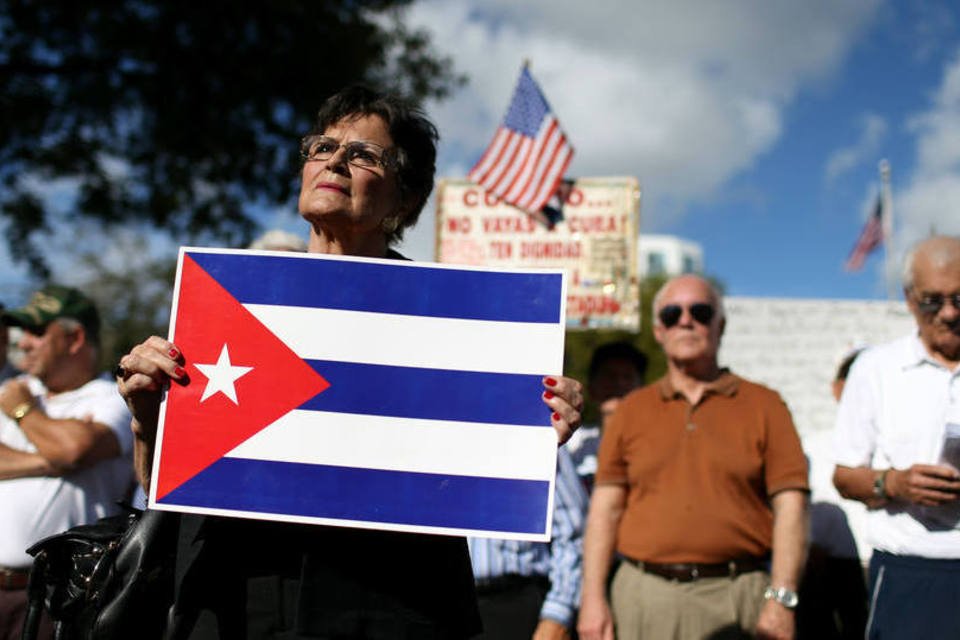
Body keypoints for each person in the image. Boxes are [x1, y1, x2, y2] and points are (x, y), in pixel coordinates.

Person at [115, 85, 584, 639]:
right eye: (322, 146)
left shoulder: (456, 326)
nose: (334, 160)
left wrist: (527, 426)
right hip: (235, 600)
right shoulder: (233, 306)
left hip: (393, 607)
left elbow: (484, 479)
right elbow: (165, 492)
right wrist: (149, 419)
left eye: (364, 154)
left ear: (404, 201)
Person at [578, 274, 809, 640]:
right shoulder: (631, 410)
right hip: (642, 597)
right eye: (672, 314)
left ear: (721, 325)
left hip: (738, 595)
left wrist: (782, 599)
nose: (686, 321)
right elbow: (605, 510)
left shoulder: (766, 405)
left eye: (700, 311)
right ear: (658, 331)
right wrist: (591, 598)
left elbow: (791, 507)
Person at [832, 235, 960, 640]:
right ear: (909, 299)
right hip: (910, 573)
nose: (950, 313)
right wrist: (895, 483)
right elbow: (845, 475)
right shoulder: (876, 369)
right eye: (932, 301)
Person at [0, 286, 133, 640]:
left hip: (61, 598)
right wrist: (52, 459)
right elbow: (67, 452)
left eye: (37, 332)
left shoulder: (114, 397)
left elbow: (75, 449)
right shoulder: (17, 387)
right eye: (23, 332)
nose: (23, 343)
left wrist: (22, 412)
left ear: (75, 338)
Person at [469, 447, 587, 640]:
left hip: (513, 605)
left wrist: (557, 615)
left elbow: (574, 530)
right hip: (437, 610)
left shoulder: (530, 425)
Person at [565, 341, 647, 493]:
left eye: (627, 377)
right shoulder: (568, 443)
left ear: (642, 390)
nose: (618, 383)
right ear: (590, 386)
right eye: (609, 375)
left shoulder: (656, 445)